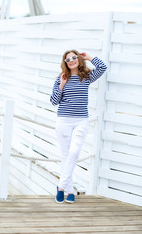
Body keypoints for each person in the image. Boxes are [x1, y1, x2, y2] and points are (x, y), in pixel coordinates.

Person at [50, 50, 107, 204]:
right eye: (68, 59)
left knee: (74, 152)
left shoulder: (86, 77)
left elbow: (102, 67)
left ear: (79, 59)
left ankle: (60, 187)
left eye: (74, 57)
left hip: (81, 121)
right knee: (65, 156)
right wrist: (61, 85)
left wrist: (88, 57)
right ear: (65, 63)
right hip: (63, 121)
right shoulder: (61, 78)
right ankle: (69, 191)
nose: (71, 60)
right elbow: (54, 101)